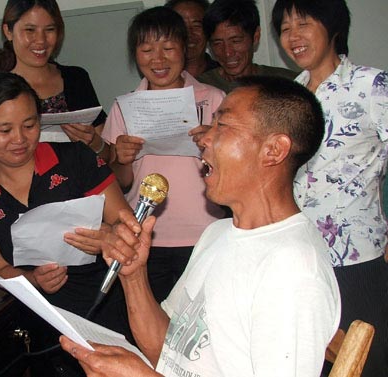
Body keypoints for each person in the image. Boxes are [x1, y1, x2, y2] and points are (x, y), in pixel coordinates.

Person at [59, 76, 341, 377]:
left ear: (273, 150)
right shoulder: (217, 234)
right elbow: (167, 350)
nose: (204, 138)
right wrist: (134, 275)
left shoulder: (293, 269)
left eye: (223, 126)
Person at [0, 72, 134, 374]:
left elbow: (127, 226)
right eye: (4, 130)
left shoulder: (75, 160)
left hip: (107, 309)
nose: (19, 139)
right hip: (42, 328)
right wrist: (35, 280)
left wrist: (109, 235)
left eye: (30, 125)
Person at [272, 1, 388, 375]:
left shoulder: (372, 86)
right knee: (311, 361)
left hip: (358, 256)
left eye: (303, 24)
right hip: (302, 257)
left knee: (364, 361)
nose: (293, 36)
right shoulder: (289, 97)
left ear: (333, 27)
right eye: (285, 27)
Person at [101, 6, 226, 303]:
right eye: (147, 50)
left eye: (168, 48)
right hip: (146, 238)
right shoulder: (124, 106)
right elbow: (121, 183)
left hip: (205, 236)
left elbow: (235, 169)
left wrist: (215, 142)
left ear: (186, 48)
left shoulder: (214, 99)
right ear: (135, 55)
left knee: (204, 328)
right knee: (150, 322)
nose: (158, 59)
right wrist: (122, 158)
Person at [0, 0, 110, 159]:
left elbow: (110, 157)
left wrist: (95, 143)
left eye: (49, 29)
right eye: (30, 30)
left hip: (82, 181)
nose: (41, 40)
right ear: (8, 31)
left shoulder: (75, 79)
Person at [198, 0, 297, 93]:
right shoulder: (199, 88)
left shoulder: (287, 83)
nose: (227, 52)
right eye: (217, 43)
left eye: (236, 41)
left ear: (256, 37)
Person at [164, 0, 220, 77]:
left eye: (196, 26)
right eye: (182, 26)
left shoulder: (226, 76)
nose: (189, 34)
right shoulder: (159, 76)